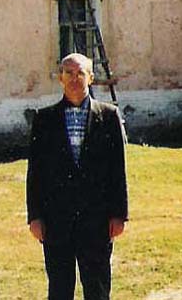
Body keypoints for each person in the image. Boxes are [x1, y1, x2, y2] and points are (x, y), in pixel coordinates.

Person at [26, 53, 128, 300]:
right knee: (60, 289)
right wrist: (35, 217)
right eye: (68, 73)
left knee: (98, 288)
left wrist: (119, 214)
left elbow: (118, 170)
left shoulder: (109, 116)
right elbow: (35, 173)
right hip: (56, 222)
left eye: (80, 73)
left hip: (97, 221)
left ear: (90, 78)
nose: (74, 78)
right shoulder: (44, 119)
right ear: (60, 78)